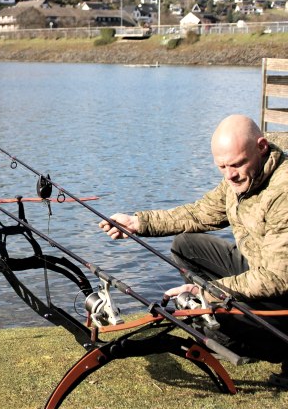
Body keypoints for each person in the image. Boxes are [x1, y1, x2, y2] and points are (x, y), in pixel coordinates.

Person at [99, 114, 288, 381]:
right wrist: (138, 222)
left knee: (205, 310)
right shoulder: (240, 178)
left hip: (281, 288)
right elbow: (198, 214)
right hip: (259, 269)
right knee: (185, 246)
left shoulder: (283, 192)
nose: (230, 175)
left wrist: (207, 293)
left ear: (261, 146)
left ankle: (259, 342)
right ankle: (231, 328)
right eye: (221, 167)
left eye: (237, 164)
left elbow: (277, 278)